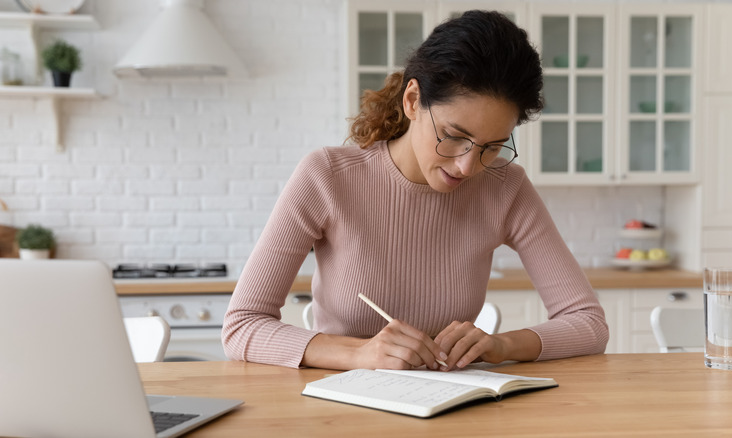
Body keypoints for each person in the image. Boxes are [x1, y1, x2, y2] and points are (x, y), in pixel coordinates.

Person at [223, 10, 608, 371]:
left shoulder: (506, 188)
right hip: (342, 406)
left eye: (492, 146)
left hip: (451, 406)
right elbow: (242, 326)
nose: (468, 166)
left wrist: (501, 346)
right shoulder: (328, 176)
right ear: (412, 101)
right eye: (455, 137)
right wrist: (360, 353)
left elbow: (588, 323)